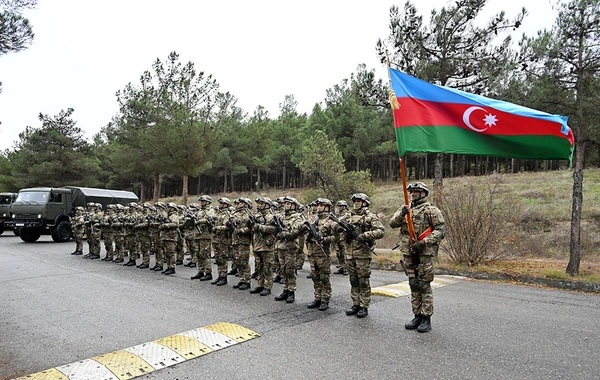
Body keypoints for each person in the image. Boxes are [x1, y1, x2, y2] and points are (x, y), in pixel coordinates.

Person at [389, 182, 445, 333]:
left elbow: (440, 231)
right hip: (408, 254)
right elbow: (392, 223)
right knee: (413, 284)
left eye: (416, 191)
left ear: (423, 193)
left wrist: (423, 243)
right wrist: (402, 213)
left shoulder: (431, 210)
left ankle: (426, 318)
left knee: (424, 286)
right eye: (411, 191)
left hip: (424, 254)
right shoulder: (406, 208)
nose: (412, 193)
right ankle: (417, 315)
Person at [338, 193, 385, 318]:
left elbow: (381, 231)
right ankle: (355, 303)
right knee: (353, 280)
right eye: (355, 201)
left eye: (359, 201)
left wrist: (365, 235)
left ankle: (364, 306)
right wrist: (341, 229)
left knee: (363, 281)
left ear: (365, 203)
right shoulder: (348, 216)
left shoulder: (370, 217)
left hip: (362, 254)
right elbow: (336, 225)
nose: (356, 203)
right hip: (349, 254)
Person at [305, 198, 337, 311]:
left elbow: (336, 237)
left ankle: (325, 300)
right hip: (312, 253)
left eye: (321, 205)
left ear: (327, 207)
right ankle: (317, 298)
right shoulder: (315, 220)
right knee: (315, 276)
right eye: (317, 205)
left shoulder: (331, 221)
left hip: (322, 254)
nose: (318, 207)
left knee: (324, 277)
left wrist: (324, 239)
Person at [273, 196, 304, 304]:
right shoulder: (281, 216)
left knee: (290, 271)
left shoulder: (297, 218)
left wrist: (284, 234)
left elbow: (296, 231)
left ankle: (291, 292)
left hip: (290, 247)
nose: (286, 205)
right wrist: (279, 233)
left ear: (293, 205)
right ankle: (285, 290)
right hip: (280, 247)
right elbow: (274, 231)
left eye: (288, 203)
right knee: (283, 270)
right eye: (285, 203)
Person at [248, 197, 278, 296]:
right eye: (259, 203)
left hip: (267, 246)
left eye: (262, 203)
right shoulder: (257, 216)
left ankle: (267, 287)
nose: (259, 205)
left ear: (267, 204)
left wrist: (259, 227)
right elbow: (252, 229)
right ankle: (260, 285)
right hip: (257, 245)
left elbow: (273, 229)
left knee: (267, 268)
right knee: (259, 267)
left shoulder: (272, 216)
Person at [191, 195, 216, 281]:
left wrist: (198, 221)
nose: (202, 203)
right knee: (198, 254)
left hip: (205, 235)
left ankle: (208, 273)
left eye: (203, 201)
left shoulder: (211, 210)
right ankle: (200, 271)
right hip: (197, 235)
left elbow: (209, 220)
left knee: (205, 254)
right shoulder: (200, 211)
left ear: (208, 202)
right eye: (201, 201)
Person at [230, 197, 253, 290]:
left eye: (241, 202)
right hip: (235, 241)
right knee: (238, 262)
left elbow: (251, 228)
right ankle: (241, 279)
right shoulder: (235, 213)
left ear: (246, 204)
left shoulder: (249, 214)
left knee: (244, 262)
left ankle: (247, 281)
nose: (239, 204)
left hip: (244, 241)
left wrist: (240, 231)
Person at [211, 197, 234, 286]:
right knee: (218, 259)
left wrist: (217, 228)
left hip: (223, 240)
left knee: (222, 259)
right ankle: (220, 276)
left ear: (226, 205)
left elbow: (227, 227)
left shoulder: (227, 214)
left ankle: (224, 277)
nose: (220, 205)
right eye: (220, 203)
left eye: (222, 203)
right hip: (216, 239)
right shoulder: (218, 213)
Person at [333, 200, 350, 275]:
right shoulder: (336, 215)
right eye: (339, 206)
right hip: (337, 237)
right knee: (338, 253)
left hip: (344, 237)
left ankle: (346, 268)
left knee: (344, 253)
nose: (340, 207)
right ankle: (341, 267)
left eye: (342, 206)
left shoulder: (348, 214)